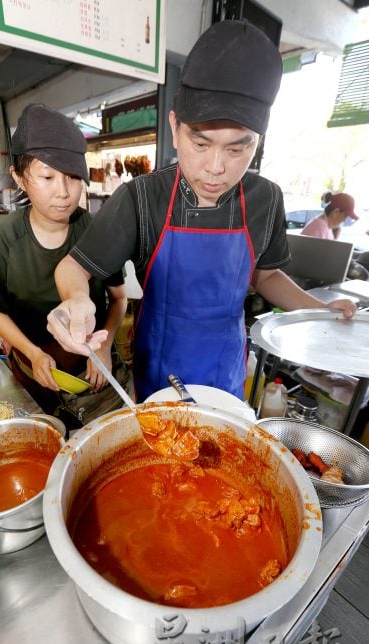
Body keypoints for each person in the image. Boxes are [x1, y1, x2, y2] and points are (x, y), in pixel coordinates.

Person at [46, 20, 357, 403]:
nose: (215, 167)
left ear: (256, 142)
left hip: (225, 363)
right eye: (200, 143)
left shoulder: (266, 199)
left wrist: (320, 309)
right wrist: (77, 299)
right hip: (160, 365)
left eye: (236, 149)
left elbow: (268, 275)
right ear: (175, 127)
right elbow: (73, 267)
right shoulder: (142, 198)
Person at [0, 103, 127, 418]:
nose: (64, 192)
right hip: (35, 370)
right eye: (47, 176)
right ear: (18, 177)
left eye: (73, 177)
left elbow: (119, 299)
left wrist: (103, 346)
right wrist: (32, 353)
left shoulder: (97, 231)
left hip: (93, 370)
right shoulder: (1, 239)